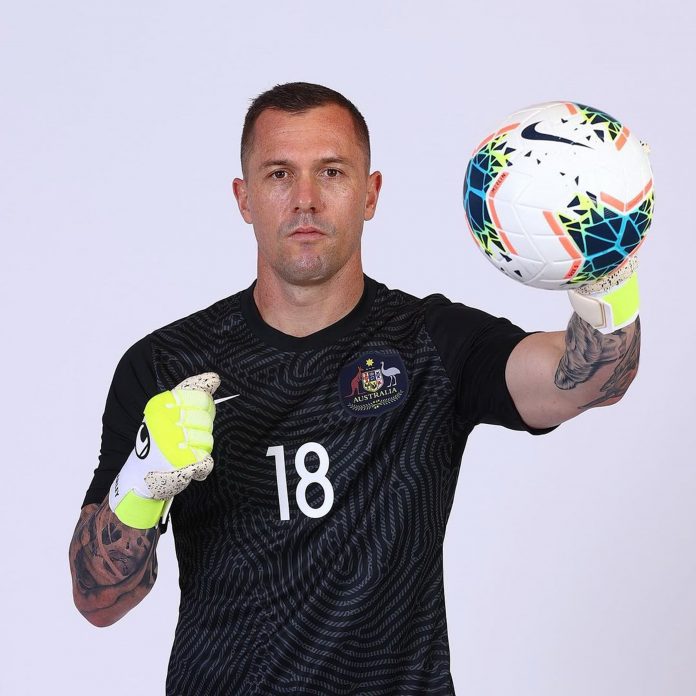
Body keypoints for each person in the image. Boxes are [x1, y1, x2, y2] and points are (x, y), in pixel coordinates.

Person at [69, 82, 641, 695]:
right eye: (279, 174)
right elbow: (98, 600)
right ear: (244, 198)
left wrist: (608, 269)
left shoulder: (431, 342)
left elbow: (587, 382)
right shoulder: (165, 365)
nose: (306, 200)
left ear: (370, 194)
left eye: (332, 172)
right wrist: (141, 483)